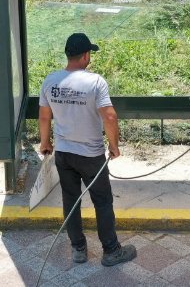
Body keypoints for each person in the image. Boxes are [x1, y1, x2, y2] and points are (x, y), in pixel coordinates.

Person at [39, 33, 137, 267]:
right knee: (102, 201)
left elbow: (44, 116)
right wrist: (114, 146)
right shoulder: (95, 82)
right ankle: (111, 251)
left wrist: (45, 143)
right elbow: (110, 116)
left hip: (64, 154)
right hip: (91, 155)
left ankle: (78, 250)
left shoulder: (50, 81)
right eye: (89, 53)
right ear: (85, 56)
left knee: (70, 200)